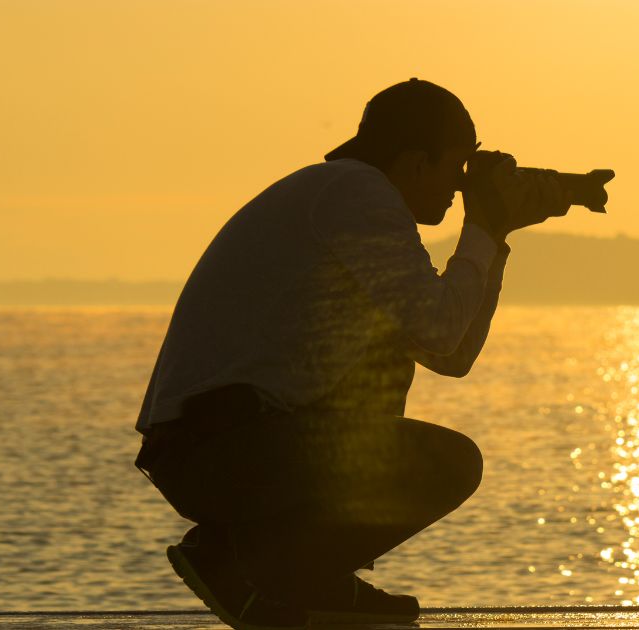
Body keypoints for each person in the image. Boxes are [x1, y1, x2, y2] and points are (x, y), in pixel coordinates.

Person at [133, 78, 570, 630]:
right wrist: (482, 225)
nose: (460, 188)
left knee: (385, 358)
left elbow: (450, 353)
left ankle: (312, 573)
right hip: (221, 448)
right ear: (415, 162)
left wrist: (496, 234)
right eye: (458, 167)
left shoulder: (347, 199)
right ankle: (248, 564)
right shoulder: (359, 194)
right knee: (449, 464)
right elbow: (441, 331)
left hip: (223, 446)